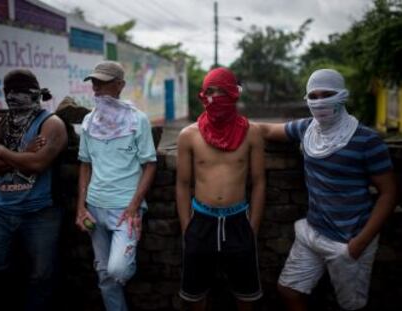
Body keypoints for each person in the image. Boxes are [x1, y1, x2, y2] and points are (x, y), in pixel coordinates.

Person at [259, 69, 397, 311]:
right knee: (288, 289)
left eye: (327, 94)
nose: (320, 101)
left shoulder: (366, 140)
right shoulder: (306, 129)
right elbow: (268, 130)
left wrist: (359, 243)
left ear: (342, 96)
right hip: (313, 232)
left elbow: (389, 193)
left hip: (350, 238)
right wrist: (219, 124)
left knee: (350, 305)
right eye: (314, 95)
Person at [176, 67, 265, 311]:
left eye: (221, 91)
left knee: (245, 296)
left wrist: (252, 228)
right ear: (203, 96)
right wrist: (187, 228)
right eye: (209, 92)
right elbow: (183, 184)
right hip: (200, 221)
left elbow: (259, 182)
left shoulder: (251, 133)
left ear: (234, 94)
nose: (215, 97)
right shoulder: (189, 135)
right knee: (195, 298)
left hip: (239, 221)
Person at [75, 61, 157, 311]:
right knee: (103, 274)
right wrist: (80, 207)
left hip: (125, 211)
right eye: (94, 82)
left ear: (120, 85)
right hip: (95, 208)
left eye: (103, 82)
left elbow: (150, 165)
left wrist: (134, 207)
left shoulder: (137, 120)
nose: (97, 88)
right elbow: (85, 165)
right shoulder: (89, 121)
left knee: (116, 269)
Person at [0, 69, 68, 310]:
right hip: (1, 211)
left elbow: (37, 164)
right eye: (8, 92)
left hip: (40, 212)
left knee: (41, 276)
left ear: (35, 94)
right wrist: (24, 155)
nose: (12, 97)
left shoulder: (51, 124)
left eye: (19, 92)